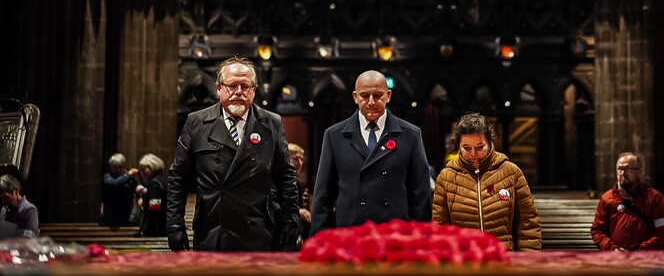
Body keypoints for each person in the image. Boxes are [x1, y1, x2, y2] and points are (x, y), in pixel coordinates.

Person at [167, 56, 299, 251]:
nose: (238, 92)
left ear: (254, 90)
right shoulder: (196, 122)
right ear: (219, 88)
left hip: (258, 230)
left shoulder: (271, 123)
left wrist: (291, 219)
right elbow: (178, 176)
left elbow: (285, 176)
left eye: (245, 86)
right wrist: (174, 225)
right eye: (232, 85)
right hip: (213, 230)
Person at [311, 70, 432, 235]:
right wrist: (320, 239)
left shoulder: (411, 134)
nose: (371, 102)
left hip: (396, 235)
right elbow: (323, 195)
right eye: (364, 96)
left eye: (377, 95)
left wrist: (420, 238)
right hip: (349, 234)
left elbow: (420, 193)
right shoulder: (334, 135)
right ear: (355, 97)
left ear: (388, 95)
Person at [432, 113, 542, 251]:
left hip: (504, 260)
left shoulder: (511, 172)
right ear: (458, 146)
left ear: (490, 143)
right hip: (464, 261)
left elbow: (528, 224)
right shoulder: (446, 176)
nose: (473, 153)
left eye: (479, 147)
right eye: (466, 148)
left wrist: (527, 261)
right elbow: (440, 227)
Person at [590, 152, 664, 251]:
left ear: (640, 171)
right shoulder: (607, 198)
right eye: (619, 169)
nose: (622, 173)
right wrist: (612, 249)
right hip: (617, 259)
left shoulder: (655, 197)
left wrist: (642, 249)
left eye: (627, 169)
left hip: (647, 259)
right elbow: (598, 230)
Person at [99, 153, 138, 227]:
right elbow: (115, 183)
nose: (118, 170)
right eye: (115, 167)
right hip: (110, 216)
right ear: (111, 167)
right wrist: (128, 174)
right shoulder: (107, 177)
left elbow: (135, 187)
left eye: (120, 167)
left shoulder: (128, 177)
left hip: (126, 215)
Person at [135, 153, 167, 237]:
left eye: (143, 169)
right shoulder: (164, 180)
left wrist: (144, 230)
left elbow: (154, 208)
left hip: (156, 229)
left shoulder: (154, 183)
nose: (142, 172)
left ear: (152, 167)